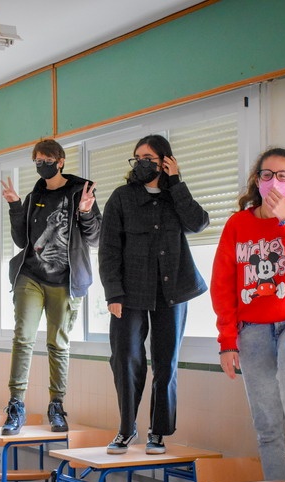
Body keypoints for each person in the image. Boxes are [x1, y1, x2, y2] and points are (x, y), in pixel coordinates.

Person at [210, 147, 285, 482]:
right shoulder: (238, 224)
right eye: (266, 174)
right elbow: (222, 285)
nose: (273, 181)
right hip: (253, 329)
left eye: (282, 175)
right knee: (267, 423)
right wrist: (227, 341)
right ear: (256, 180)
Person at [98, 134, 209, 455]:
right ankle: (126, 429)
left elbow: (198, 223)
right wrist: (113, 294)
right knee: (125, 358)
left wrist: (177, 183)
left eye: (148, 158)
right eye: (137, 158)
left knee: (165, 363)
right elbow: (108, 249)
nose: (141, 164)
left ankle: (158, 432)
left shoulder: (176, 195)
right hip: (129, 292)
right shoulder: (121, 197)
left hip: (172, 290)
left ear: (165, 161)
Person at [0, 139, 101, 435]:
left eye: (47, 160)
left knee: (58, 343)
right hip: (30, 276)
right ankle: (16, 405)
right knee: (23, 338)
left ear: (60, 161)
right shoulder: (36, 195)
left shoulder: (81, 191)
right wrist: (15, 205)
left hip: (65, 280)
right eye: (37, 160)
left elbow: (96, 237)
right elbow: (22, 240)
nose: (41, 165)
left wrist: (85, 212)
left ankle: (56, 405)